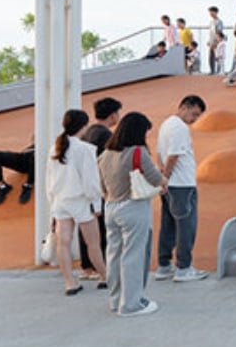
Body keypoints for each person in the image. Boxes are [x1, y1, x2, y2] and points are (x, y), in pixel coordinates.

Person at [98, 112, 165, 316]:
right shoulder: (138, 151)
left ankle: (115, 300)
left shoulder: (105, 154)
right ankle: (131, 304)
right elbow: (156, 178)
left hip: (110, 207)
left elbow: (102, 187)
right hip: (133, 206)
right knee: (133, 255)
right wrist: (164, 183)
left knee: (114, 255)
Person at [46, 109, 108, 295]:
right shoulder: (86, 149)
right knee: (93, 243)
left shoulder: (55, 148)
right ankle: (104, 276)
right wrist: (96, 204)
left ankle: (70, 283)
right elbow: (91, 181)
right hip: (82, 202)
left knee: (63, 243)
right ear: (84, 126)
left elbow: (49, 180)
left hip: (60, 201)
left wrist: (52, 205)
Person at [155, 95, 208, 282]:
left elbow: (160, 155)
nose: (195, 119)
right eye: (194, 114)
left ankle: (164, 265)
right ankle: (184, 268)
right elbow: (173, 156)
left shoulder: (166, 124)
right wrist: (165, 178)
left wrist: (163, 178)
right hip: (182, 185)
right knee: (186, 225)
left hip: (171, 185)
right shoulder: (179, 128)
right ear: (184, 107)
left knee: (168, 225)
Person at [77, 97, 121, 277]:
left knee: (85, 226)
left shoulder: (87, 132)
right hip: (97, 187)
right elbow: (107, 164)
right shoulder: (106, 136)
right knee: (100, 228)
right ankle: (99, 267)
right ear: (113, 115)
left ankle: (87, 267)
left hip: (82, 186)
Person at [0, 137, 35, 205]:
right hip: (22, 158)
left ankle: (28, 186)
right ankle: (2, 187)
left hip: (36, 161)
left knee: (35, 156)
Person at [207, 6, 225, 75]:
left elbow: (219, 32)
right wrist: (209, 40)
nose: (210, 14)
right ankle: (212, 71)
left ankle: (219, 71)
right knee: (211, 57)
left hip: (217, 41)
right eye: (210, 12)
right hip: (211, 41)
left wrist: (217, 42)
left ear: (216, 12)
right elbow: (210, 32)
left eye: (211, 12)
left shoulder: (219, 22)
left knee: (218, 57)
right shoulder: (211, 22)